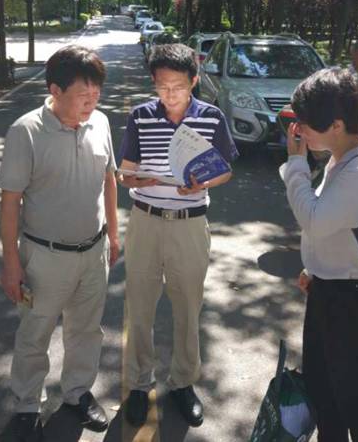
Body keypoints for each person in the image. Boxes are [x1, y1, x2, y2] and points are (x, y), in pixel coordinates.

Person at [0, 45, 118, 441]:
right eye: (84, 94)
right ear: (55, 90)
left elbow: (109, 179)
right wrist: (11, 262)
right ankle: (27, 405)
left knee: (86, 330)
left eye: (96, 93)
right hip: (44, 257)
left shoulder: (100, 122)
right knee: (35, 334)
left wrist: (114, 234)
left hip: (94, 251)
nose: (92, 102)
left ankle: (77, 393)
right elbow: (11, 201)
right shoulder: (26, 132)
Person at [117, 43, 238, 428]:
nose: (170, 94)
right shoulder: (140, 117)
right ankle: (139, 384)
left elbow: (225, 170)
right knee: (140, 307)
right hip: (146, 221)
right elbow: (124, 172)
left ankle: (183, 382)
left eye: (179, 87)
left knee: (188, 307)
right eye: (163, 86)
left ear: (194, 81)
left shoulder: (212, 118)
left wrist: (204, 182)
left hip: (190, 223)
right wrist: (136, 179)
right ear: (153, 82)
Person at [280, 68, 358, 441]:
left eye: (305, 123)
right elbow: (336, 226)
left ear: (336, 125)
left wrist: (296, 163)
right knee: (325, 397)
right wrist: (315, 268)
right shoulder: (341, 158)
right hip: (332, 293)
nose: (299, 130)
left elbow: (314, 219)